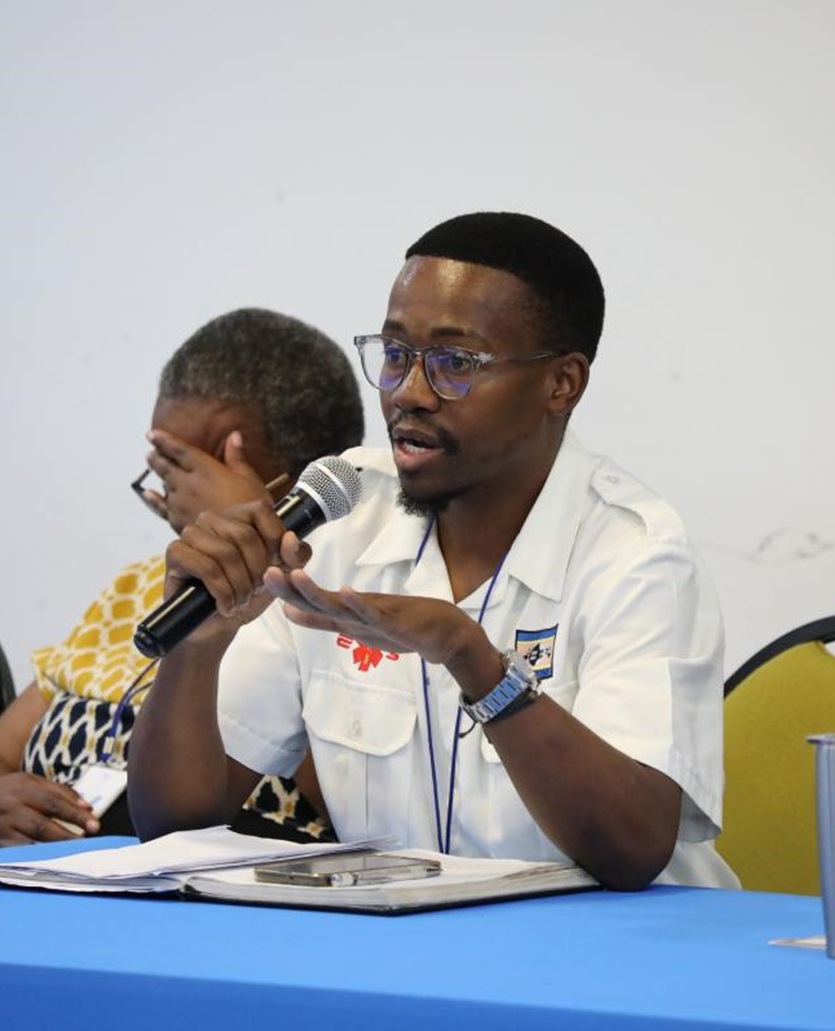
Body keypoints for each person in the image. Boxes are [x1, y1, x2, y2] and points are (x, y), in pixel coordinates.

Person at [127, 213, 738, 890]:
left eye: (455, 364)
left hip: (613, 945)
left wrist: (473, 660)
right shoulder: (338, 524)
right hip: (407, 941)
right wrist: (196, 649)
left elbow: (632, 847)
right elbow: (175, 823)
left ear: (561, 383)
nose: (408, 393)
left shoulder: (634, 554)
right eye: (395, 354)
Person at [0, 308, 365, 842]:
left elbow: (347, 798)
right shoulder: (134, 589)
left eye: (184, 468)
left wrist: (255, 536)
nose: (169, 493)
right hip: (47, 877)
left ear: (287, 482)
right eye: (159, 470)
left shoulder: (341, 606)